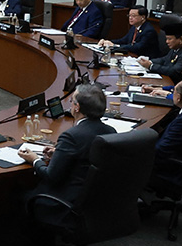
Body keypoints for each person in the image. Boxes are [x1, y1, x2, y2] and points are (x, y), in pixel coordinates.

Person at [17, 84, 114, 225]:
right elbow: (87, 157)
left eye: (72, 101)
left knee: (19, 194)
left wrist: (34, 159)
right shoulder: (111, 131)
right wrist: (60, 154)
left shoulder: (71, 136)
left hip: (65, 201)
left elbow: (51, 176)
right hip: (95, 200)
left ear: (77, 107)